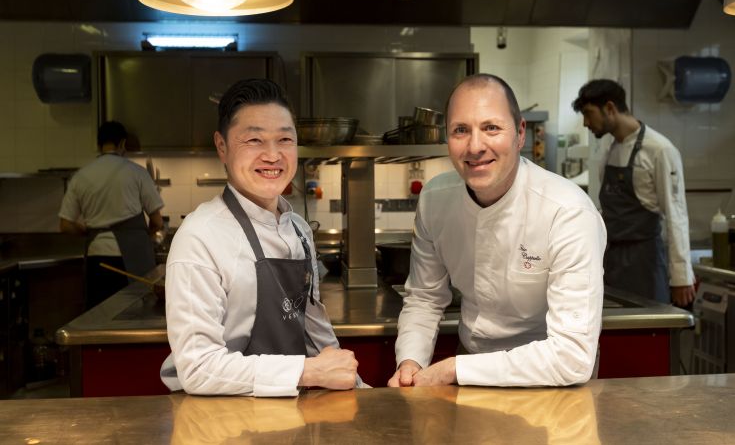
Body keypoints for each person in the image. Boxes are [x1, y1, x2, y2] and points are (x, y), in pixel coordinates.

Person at [388, 74, 606, 388]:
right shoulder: (435, 200)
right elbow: (425, 298)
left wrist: (453, 370)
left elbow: (572, 356)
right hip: (471, 359)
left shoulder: (568, 211)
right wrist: (410, 361)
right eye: (461, 130)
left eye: (491, 128)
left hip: (551, 375)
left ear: (520, 134)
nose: (475, 146)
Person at [160, 78, 359, 396]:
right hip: (220, 422)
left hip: (290, 412)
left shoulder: (299, 230)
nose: (272, 155)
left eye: (284, 139)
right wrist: (308, 371)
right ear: (222, 147)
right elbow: (197, 369)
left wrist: (356, 385)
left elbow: (313, 327)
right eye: (254, 140)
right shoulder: (200, 237)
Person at [572, 79, 696, 307]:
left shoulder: (660, 150)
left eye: (589, 114)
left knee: (650, 334)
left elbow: (676, 216)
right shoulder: (609, 152)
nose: (586, 123)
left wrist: (681, 277)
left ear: (610, 108)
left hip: (645, 262)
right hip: (611, 261)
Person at [59, 121, 164, 310]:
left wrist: (88, 231)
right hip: (133, 259)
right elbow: (157, 221)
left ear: (99, 145)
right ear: (122, 143)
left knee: (99, 317)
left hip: (97, 257)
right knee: (137, 315)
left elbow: (65, 225)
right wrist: (142, 236)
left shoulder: (81, 176)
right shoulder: (137, 173)